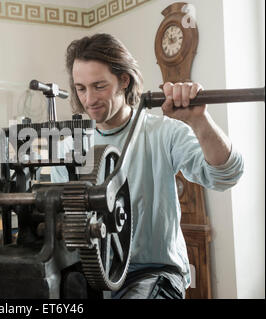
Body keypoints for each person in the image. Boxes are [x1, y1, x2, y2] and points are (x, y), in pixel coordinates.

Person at [50, 33, 244, 299]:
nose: (89, 99)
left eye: (99, 86)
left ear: (124, 80)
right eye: (81, 88)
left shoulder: (162, 132)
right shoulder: (69, 148)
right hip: (94, 273)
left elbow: (226, 176)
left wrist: (200, 121)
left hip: (153, 272)